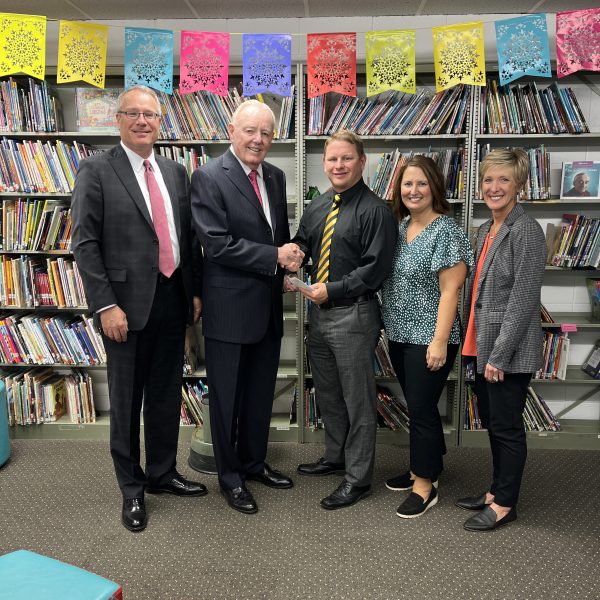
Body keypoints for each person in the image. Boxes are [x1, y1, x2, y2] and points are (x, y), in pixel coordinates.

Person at [71, 85, 207, 533]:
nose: (143, 121)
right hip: (124, 309)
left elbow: (185, 238)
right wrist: (105, 304)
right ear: (119, 119)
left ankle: (162, 473)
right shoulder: (95, 170)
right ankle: (131, 491)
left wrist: (195, 292)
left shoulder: (174, 171)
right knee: (128, 403)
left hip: (172, 300)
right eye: (134, 113)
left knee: (167, 397)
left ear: (160, 120)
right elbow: (85, 244)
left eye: (150, 114)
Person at [191, 100, 300, 515]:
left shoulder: (274, 175)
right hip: (229, 308)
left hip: (268, 306)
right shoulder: (207, 177)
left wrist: (287, 262)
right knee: (227, 399)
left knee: (259, 394)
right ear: (232, 130)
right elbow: (216, 244)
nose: (258, 140)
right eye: (250, 131)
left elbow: (280, 235)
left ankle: (255, 464)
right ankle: (230, 478)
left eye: (266, 133)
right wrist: (275, 257)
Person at [291, 130, 397, 510]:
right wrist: (294, 253)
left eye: (347, 158)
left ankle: (358, 478)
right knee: (330, 394)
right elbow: (305, 244)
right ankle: (335, 457)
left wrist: (330, 291)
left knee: (358, 402)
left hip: (353, 314)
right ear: (324, 163)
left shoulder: (376, 211)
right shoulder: (319, 205)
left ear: (362, 162)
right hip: (318, 316)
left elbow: (375, 270)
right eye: (332, 159)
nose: (338, 165)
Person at [456, 148, 547, 531]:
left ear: (519, 185)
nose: (494, 187)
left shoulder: (526, 230)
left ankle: (505, 503)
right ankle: (495, 489)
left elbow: (524, 299)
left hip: (504, 351)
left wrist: (500, 356)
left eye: (503, 179)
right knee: (494, 424)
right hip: (481, 343)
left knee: (507, 427)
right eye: (488, 179)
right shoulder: (485, 229)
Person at [381, 155, 474, 518]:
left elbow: (451, 291)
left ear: (435, 187)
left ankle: (425, 484)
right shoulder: (400, 226)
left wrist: (438, 341)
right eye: (407, 183)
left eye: (421, 183)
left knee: (420, 409)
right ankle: (424, 465)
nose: (413, 190)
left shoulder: (446, 230)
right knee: (419, 406)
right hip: (400, 332)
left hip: (430, 336)